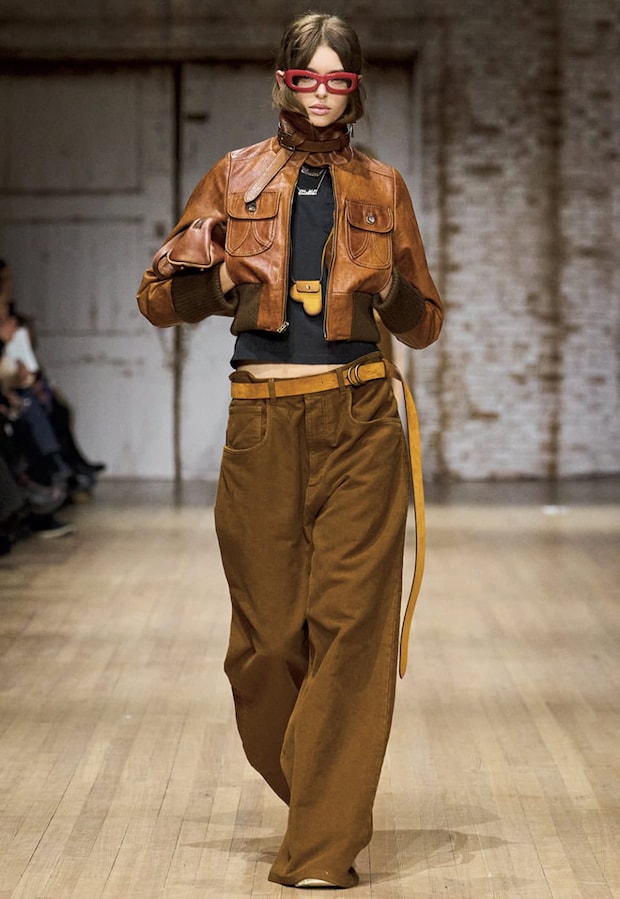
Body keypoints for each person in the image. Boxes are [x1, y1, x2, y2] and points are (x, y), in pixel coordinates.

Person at [137, 12, 443, 889]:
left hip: (360, 418)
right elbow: (155, 298)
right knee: (265, 647)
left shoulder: (383, 185)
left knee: (351, 631)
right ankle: (322, 796)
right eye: (307, 77)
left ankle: (320, 849)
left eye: (337, 80)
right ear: (283, 80)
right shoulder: (233, 174)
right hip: (262, 425)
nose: (321, 93)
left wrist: (390, 285)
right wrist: (217, 278)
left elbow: (425, 322)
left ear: (355, 89)